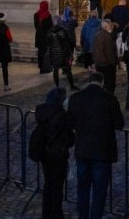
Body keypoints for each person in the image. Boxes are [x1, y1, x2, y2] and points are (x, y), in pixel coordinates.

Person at [67, 71, 124, 219]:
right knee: (99, 191)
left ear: (88, 82)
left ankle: (83, 216)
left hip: (82, 150)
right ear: (102, 83)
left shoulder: (76, 98)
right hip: (102, 151)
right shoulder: (109, 99)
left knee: (83, 187)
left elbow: (70, 122)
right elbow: (119, 124)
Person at [33, 86, 74, 219]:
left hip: (45, 154)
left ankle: (47, 212)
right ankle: (56, 213)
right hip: (58, 154)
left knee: (49, 183)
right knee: (57, 186)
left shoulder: (41, 112)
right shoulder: (62, 115)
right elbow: (70, 139)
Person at [46, 20, 76, 90]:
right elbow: (69, 41)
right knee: (68, 70)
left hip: (53, 54)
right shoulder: (64, 30)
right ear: (60, 23)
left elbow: (47, 42)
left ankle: (57, 86)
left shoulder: (49, 31)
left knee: (55, 70)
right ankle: (71, 86)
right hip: (64, 54)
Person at [92, 19, 119, 95]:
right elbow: (109, 52)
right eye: (109, 26)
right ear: (105, 26)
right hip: (107, 64)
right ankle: (109, 97)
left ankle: (100, 95)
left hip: (98, 62)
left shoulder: (97, 34)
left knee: (101, 81)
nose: (111, 27)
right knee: (110, 83)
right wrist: (113, 62)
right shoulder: (107, 37)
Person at [33, 2, 53, 74]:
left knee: (40, 52)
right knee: (45, 53)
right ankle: (45, 68)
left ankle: (41, 67)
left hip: (38, 36)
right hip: (45, 37)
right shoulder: (48, 15)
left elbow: (35, 26)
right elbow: (50, 26)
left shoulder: (36, 15)